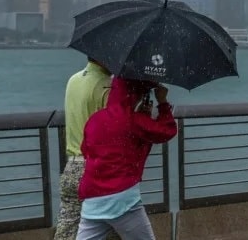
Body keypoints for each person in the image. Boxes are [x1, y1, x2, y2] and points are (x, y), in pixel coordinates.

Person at [76, 77, 178, 240]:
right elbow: (167, 130)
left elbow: (86, 150)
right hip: (122, 200)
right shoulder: (133, 120)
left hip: (92, 200)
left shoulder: (95, 119)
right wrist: (163, 103)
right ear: (136, 94)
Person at [55, 59, 115, 240]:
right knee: (117, 224)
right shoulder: (108, 87)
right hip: (98, 170)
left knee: (67, 229)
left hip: (72, 168)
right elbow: (116, 131)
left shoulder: (73, 80)